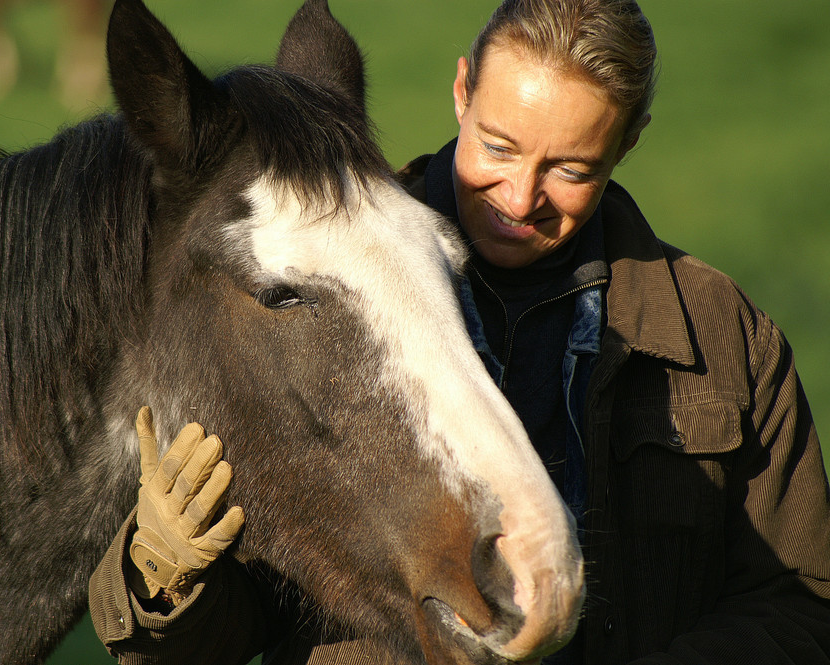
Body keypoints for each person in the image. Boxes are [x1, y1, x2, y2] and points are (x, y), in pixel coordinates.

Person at [88, 0, 830, 663]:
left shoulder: (723, 338)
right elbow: (233, 629)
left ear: (628, 143)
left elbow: (801, 609)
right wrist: (164, 574)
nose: (519, 196)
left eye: (569, 167)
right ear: (461, 92)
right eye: (499, 146)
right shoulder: (315, 287)